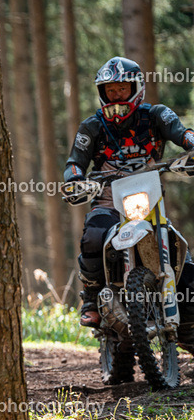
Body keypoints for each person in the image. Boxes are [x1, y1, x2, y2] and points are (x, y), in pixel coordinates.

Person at [64, 56, 194, 339]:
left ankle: (188, 321)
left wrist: (191, 145)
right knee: (93, 237)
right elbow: (75, 161)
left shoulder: (156, 115)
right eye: (110, 91)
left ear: (136, 88)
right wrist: (74, 181)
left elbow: (181, 132)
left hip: (150, 203)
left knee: (184, 261)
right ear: (102, 93)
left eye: (122, 89)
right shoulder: (92, 127)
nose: (116, 96)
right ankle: (91, 299)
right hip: (109, 201)